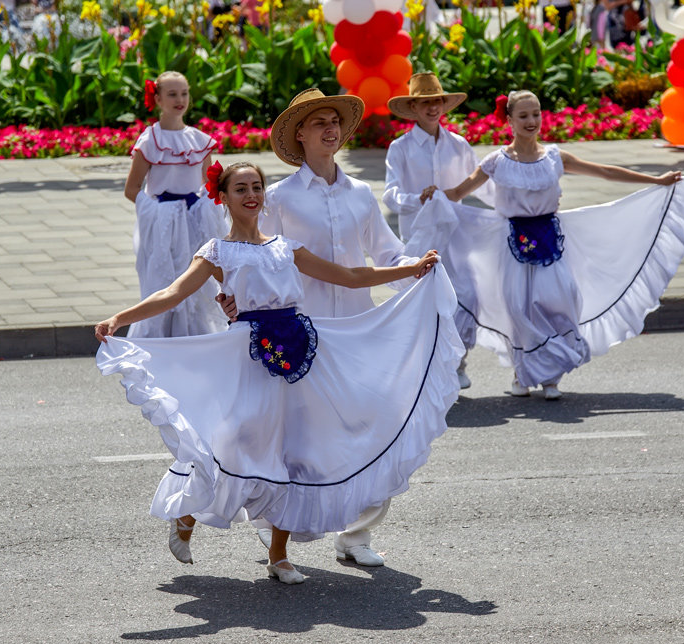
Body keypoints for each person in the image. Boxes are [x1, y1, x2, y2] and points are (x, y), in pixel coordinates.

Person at [94, 161, 463, 585]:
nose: (251, 195)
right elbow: (172, 292)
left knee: (295, 451)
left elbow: (348, 276)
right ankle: (188, 512)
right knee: (233, 441)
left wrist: (409, 269)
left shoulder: (286, 247)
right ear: (224, 197)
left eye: (256, 187)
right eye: (240, 188)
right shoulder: (217, 251)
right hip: (247, 356)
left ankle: (279, 556)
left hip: (298, 353)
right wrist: (120, 317)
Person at [219, 89, 421, 568]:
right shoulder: (281, 199)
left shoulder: (360, 195)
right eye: (319, 123)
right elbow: (247, 251)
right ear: (299, 135)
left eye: (335, 121)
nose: (331, 129)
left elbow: (388, 253)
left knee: (375, 428)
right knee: (301, 439)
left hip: (358, 333)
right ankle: (280, 529)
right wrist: (233, 302)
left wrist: (418, 267)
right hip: (300, 338)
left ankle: (356, 534)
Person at [410, 89, 684, 399]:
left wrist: (656, 181)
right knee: (519, 307)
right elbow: (459, 192)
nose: (531, 121)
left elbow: (604, 172)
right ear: (509, 120)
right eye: (523, 115)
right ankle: (523, 375)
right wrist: (435, 197)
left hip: (551, 239)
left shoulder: (554, 157)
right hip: (511, 243)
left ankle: (551, 375)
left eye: (536, 113)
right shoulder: (496, 161)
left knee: (559, 300)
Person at [384, 71, 495, 390]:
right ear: (414, 108)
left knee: (468, 296)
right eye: (425, 103)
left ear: (444, 105)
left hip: (456, 238)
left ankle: (458, 362)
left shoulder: (458, 145)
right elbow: (390, 195)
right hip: (419, 239)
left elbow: (479, 186)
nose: (432, 108)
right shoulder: (401, 148)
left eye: (436, 101)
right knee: (423, 304)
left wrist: (511, 206)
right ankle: (426, 367)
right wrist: (417, 199)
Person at [123, 71, 227, 338]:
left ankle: (196, 336)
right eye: (172, 94)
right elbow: (132, 189)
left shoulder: (199, 140)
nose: (180, 99)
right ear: (157, 98)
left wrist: (206, 208)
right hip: (163, 224)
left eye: (184, 93)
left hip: (194, 221)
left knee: (196, 280)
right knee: (164, 280)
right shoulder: (150, 141)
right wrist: (159, 211)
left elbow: (208, 184)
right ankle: (160, 339)